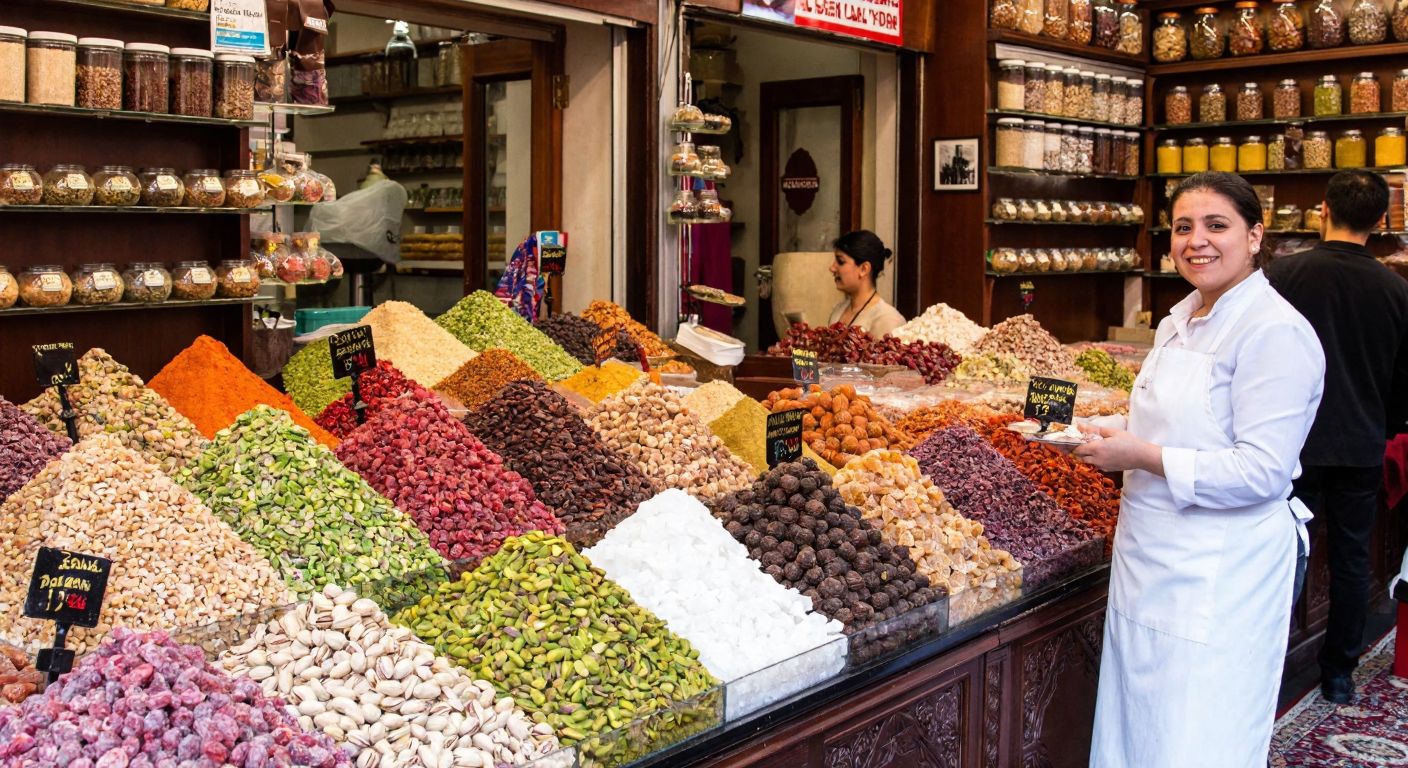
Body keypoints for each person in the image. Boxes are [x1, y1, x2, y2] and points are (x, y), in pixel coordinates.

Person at [1073, 172, 1325, 768]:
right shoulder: (1176, 321)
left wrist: (1138, 455)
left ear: (1255, 235)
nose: (1197, 241)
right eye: (1183, 227)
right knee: (1136, 724)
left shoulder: (1276, 331)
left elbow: (1261, 471)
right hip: (1148, 556)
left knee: (1196, 734)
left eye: (1217, 226)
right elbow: (1178, 425)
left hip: (1221, 568)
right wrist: (1119, 431)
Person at [1265, 170, 1408, 704]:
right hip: (1360, 444)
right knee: (1350, 558)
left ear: (1322, 209)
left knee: (1281, 554)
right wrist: (1384, 425)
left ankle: (1266, 662)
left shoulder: (1285, 275)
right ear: (1380, 221)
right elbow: (1402, 380)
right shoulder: (1396, 289)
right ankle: (1339, 672)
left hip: (1289, 443)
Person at [828, 230, 905, 338]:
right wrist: (798, 353)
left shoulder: (887, 319)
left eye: (840, 261)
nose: (832, 268)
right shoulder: (838, 310)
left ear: (864, 269)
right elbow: (822, 355)